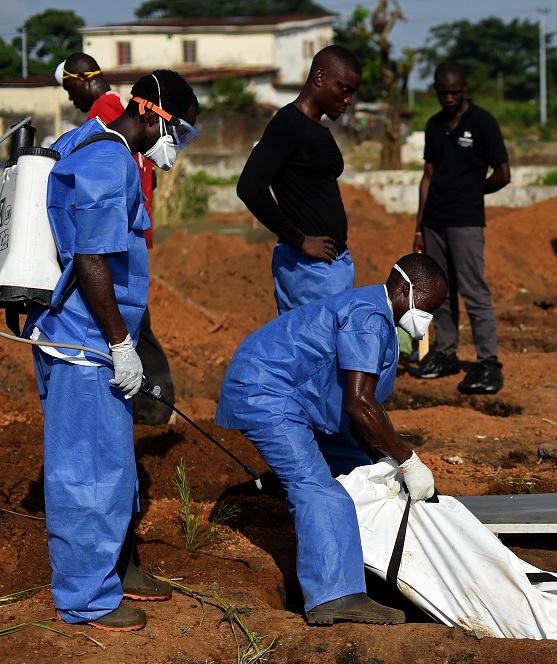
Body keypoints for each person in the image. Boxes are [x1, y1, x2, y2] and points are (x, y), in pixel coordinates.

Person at [27, 70, 200, 632]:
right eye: (177, 134)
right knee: (88, 472)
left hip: (76, 332)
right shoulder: (112, 162)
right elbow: (92, 259)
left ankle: (113, 569)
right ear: (151, 115)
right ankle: (85, 599)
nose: (174, 149)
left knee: (112, 462)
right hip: (86, 341)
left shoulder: (86, 139)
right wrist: (124, 346)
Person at [215, 253, 447, 625]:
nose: (429, 318)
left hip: (295, 394)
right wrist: (406, 458)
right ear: (404, 289)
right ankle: (335, 595)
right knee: (318, 488)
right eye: (429, 306)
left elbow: (362, 407)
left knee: (360, 469)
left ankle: (361, 566)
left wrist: (383, 461)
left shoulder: (378, 317)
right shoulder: (370, 319)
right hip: (266, 391)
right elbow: (358, 404)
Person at [56, 52, 174, 425]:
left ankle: (155, 408)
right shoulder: (116, 113)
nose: (70, 98)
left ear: (83, 79)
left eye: (69, 87)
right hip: (119, 237)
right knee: (135, 323)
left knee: (127, 327)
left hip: (110, 241)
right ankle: (156, 406)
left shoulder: (102, 119)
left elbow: (96, 200)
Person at [237, 45, 362, 316]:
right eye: (345, 89)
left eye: (353, 92)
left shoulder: (315, 128)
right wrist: (299, 240)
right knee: (319, 351)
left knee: (318, 351)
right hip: (309, 270)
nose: (349, 100)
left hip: (329, 266)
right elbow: (250, 186)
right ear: (319, 77)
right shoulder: (289, 123)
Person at [410, 61, 510, 394]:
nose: (449, 98)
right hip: (435, 222)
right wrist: (419, 226)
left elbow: (503, 173)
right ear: (436, 91)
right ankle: (446, 353)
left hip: (466, 222)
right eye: (443, 92)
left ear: (464, 89)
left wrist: (473, 191)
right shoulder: (433, 125)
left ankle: (487, 362)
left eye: (454, 92)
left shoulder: (483, 122)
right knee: (441, 292)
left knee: (474, 291)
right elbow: (428, 176)